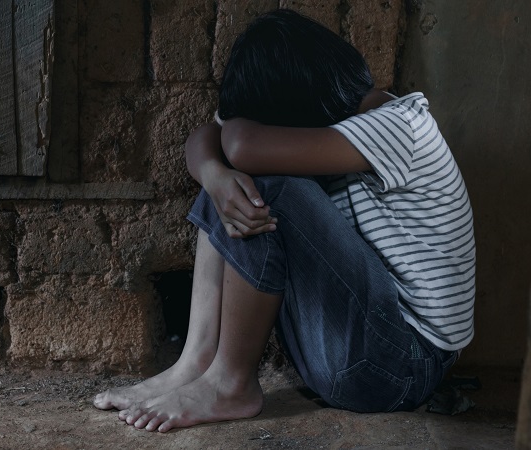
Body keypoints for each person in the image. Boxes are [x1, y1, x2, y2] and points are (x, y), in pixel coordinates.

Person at [93, 9, 475, 433]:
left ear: (295, 106)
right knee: (231, 184)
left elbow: (240, 142)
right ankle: (197, 362)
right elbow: (208, 137)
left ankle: (231, 383)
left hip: (400, 367)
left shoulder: (401, 126)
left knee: (261, 183)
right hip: (348, 355)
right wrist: (215, 176)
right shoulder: (329, 121)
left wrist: (227, 167)